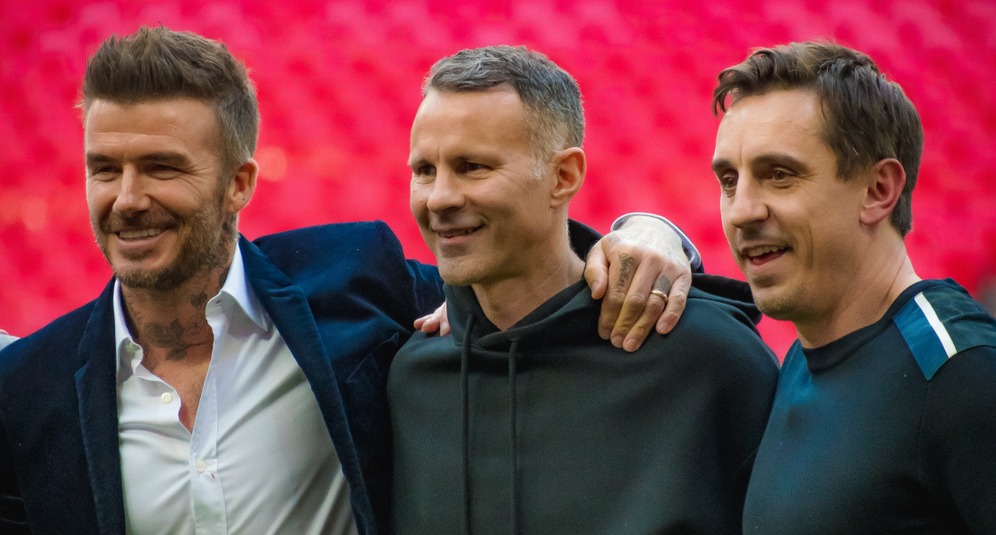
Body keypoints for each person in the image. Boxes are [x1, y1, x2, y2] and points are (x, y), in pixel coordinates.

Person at [0, 27, 696, 535]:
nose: (126, 198)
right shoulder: (27, 387)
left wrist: (651, 231)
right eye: (104, 169)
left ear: (239, 182)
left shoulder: (354, 281)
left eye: (161, 167)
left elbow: (523, 286)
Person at [388, 45, 779, 534]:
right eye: (424, 170)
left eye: (473, 167)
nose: (440, 198)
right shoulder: (411, 376)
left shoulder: (707, 357)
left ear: (564, 176)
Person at [710, 41, 996, 533]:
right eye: (730, 181)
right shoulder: (802, 357)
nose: (742, 211)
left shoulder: (961, 372)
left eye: (779, 175)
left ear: (878, 190)